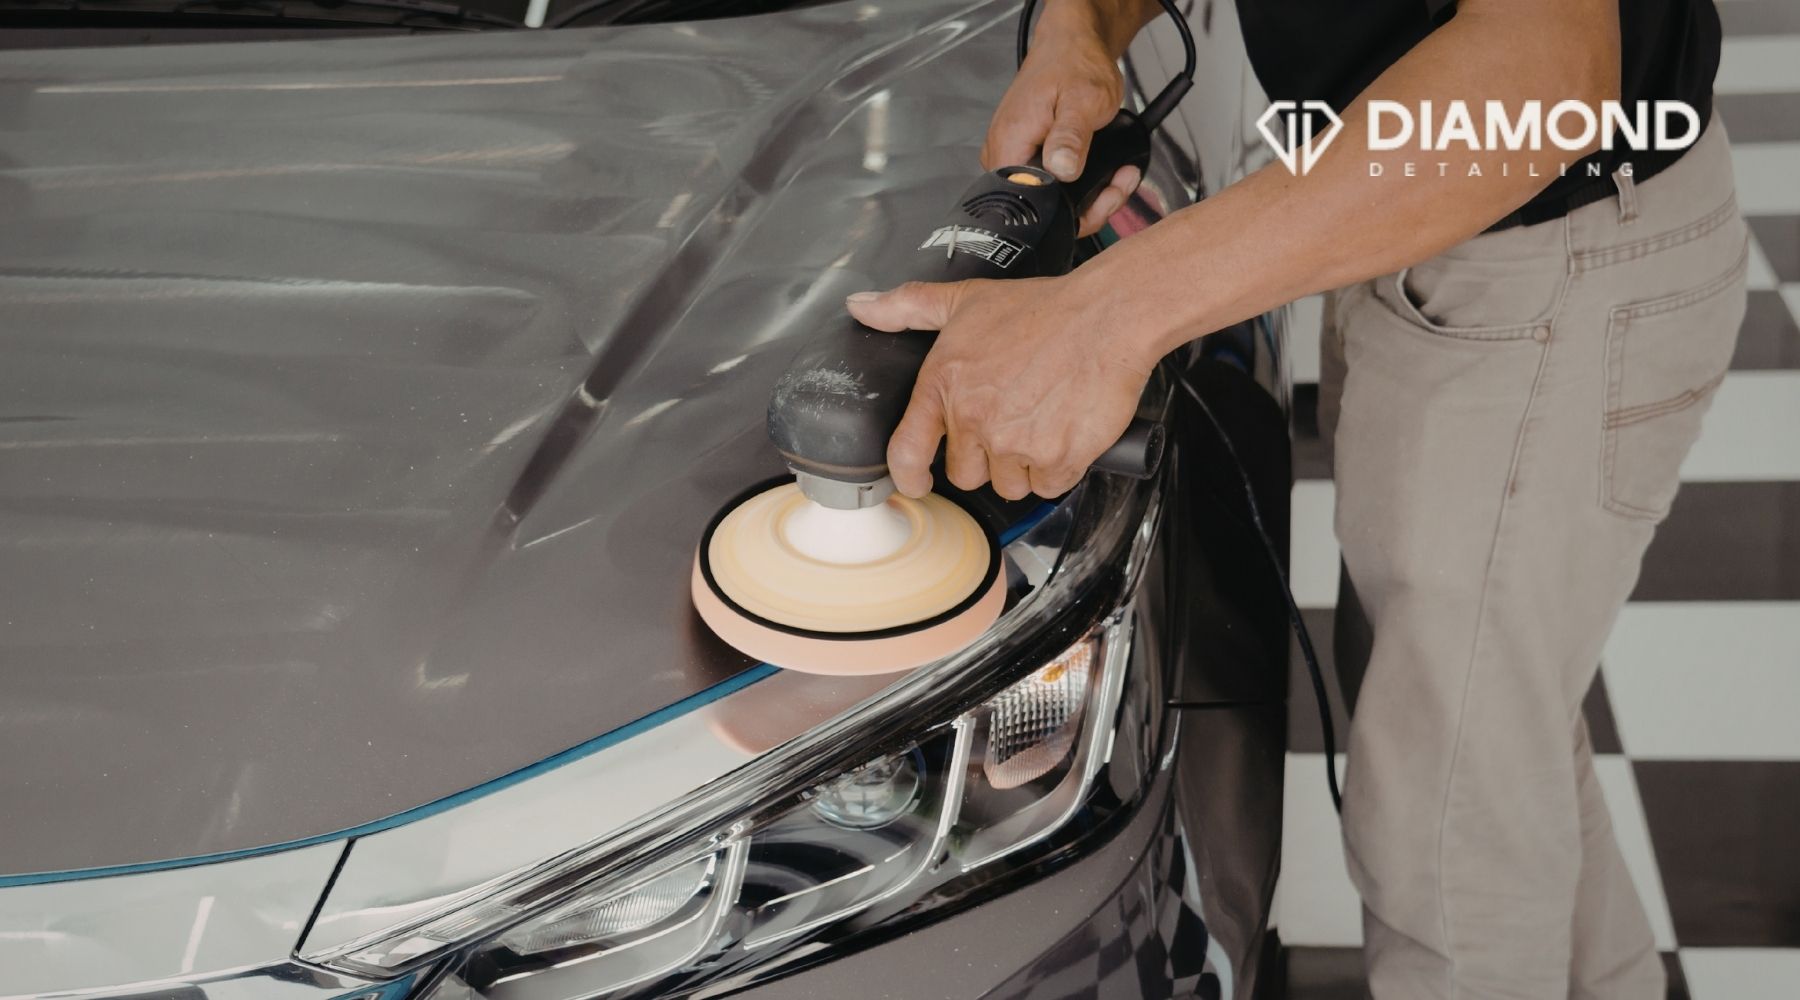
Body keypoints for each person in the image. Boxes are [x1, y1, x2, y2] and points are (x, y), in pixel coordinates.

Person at [844, 0, 1743, 996]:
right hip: (1417, 213)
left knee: (1443, 834)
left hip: (1546, 253)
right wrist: (1081, 28)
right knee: (1488, 744)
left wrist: (1103, 317)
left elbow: (1544, 71)